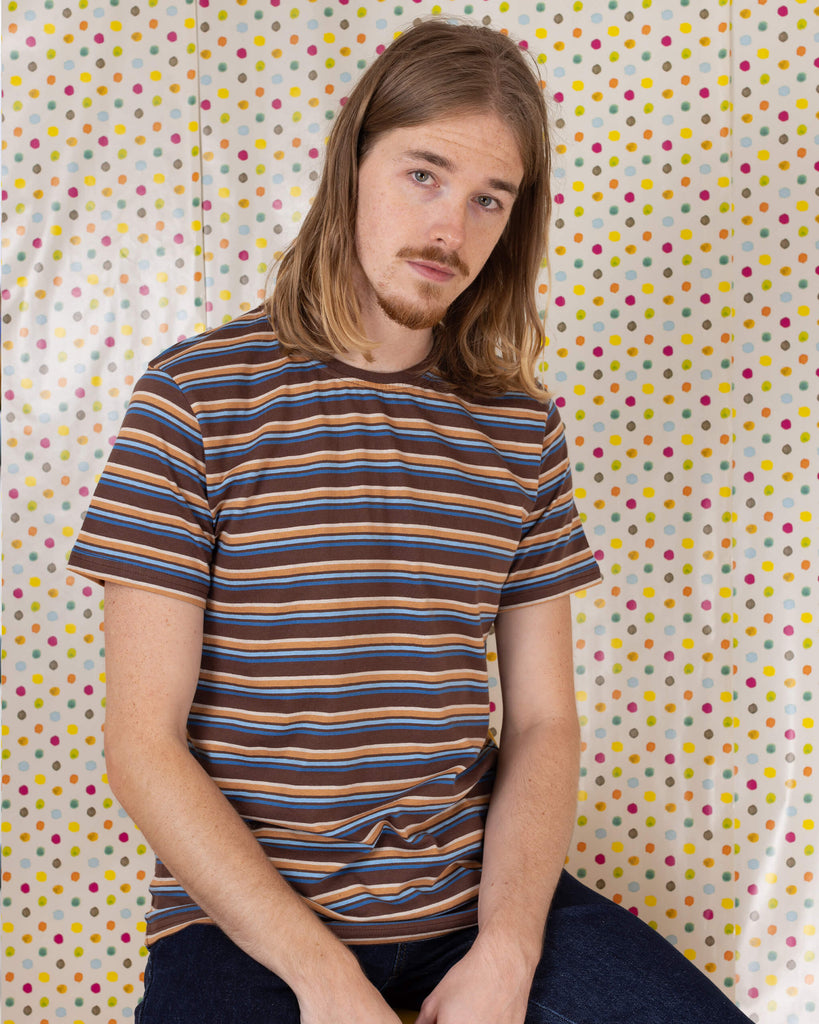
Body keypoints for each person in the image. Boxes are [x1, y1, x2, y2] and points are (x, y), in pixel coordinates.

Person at [69, 19, 753, 1024]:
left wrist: (507, 949)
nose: (449, 232)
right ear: (353, 160)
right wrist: (325, 976)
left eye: (490, 199)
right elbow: (142, 741)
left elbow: (545, 721)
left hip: (467, 908)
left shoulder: (520, 431)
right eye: (423, 175)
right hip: (246, 926)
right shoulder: (194, 399)